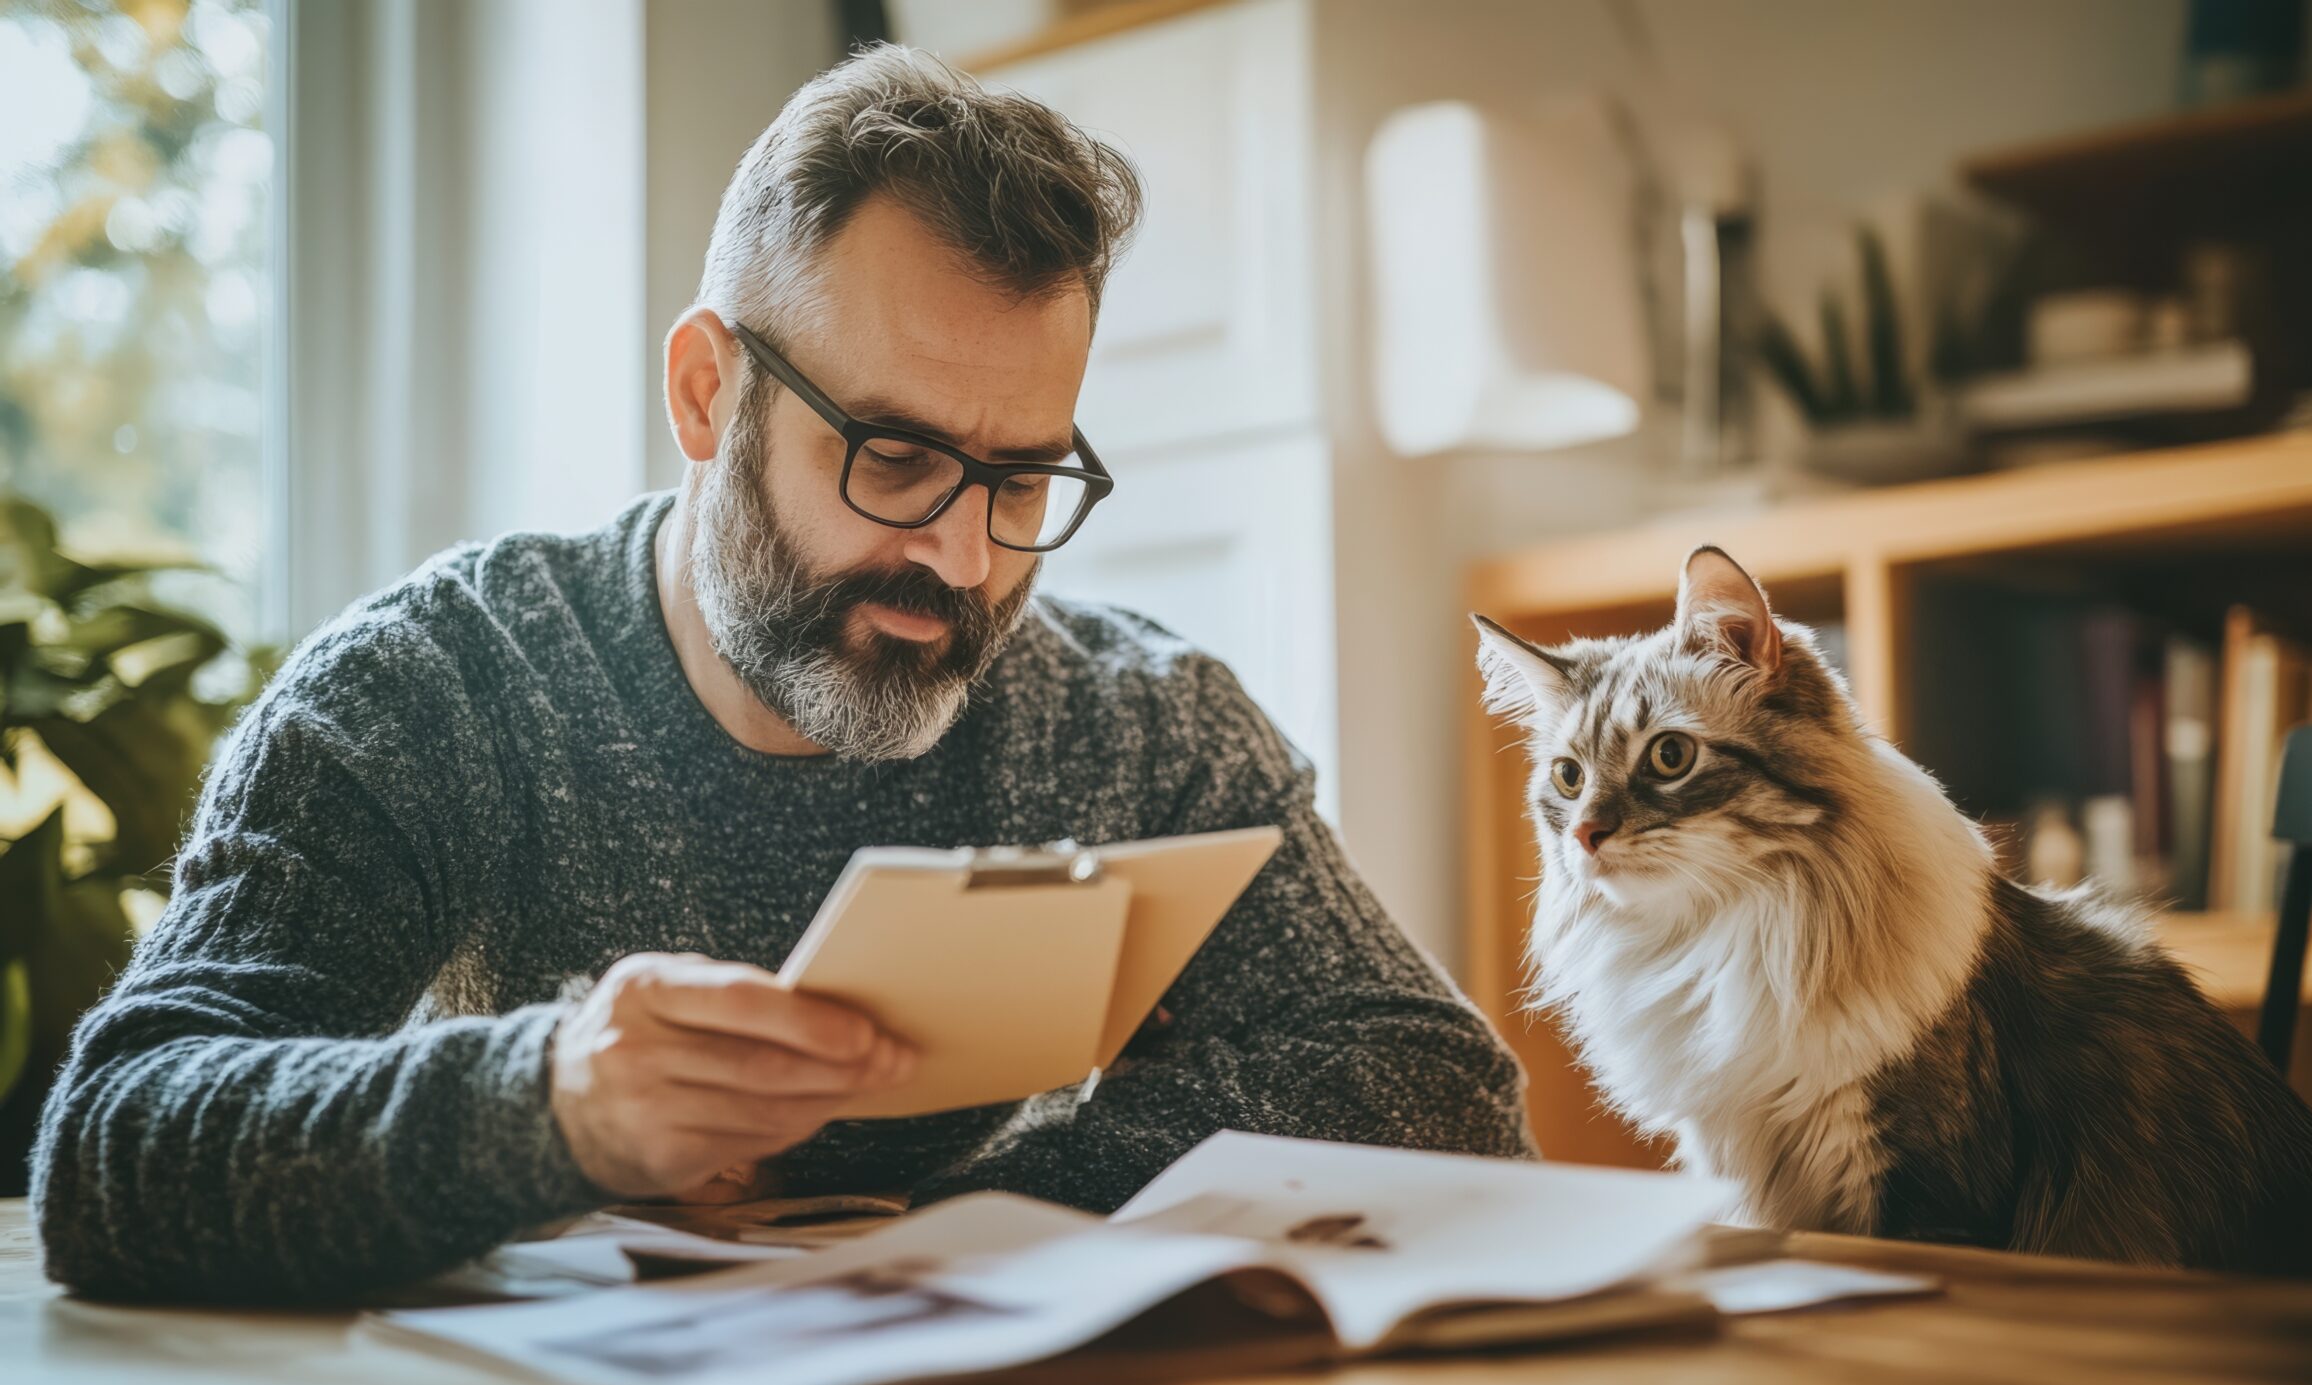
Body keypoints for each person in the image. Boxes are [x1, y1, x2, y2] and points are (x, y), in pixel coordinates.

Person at [31, 45, 1531, 1302]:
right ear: (706, 391)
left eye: (1019, 480)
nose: (960, 562)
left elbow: (1432, 1081)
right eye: (893, 458)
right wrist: (553, 1102)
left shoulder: (1137, 722)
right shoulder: (430, 693)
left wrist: (996, 1208)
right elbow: (113, 1149)